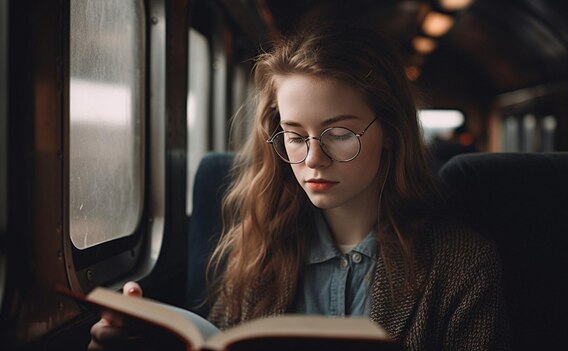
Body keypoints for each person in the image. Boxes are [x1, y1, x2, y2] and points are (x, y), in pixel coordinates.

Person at [89, 25, 510, 350]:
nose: (312, 159)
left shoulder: (462, 267)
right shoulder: (257, 247)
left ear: (391, 134)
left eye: (339, 133)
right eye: (294, 135)